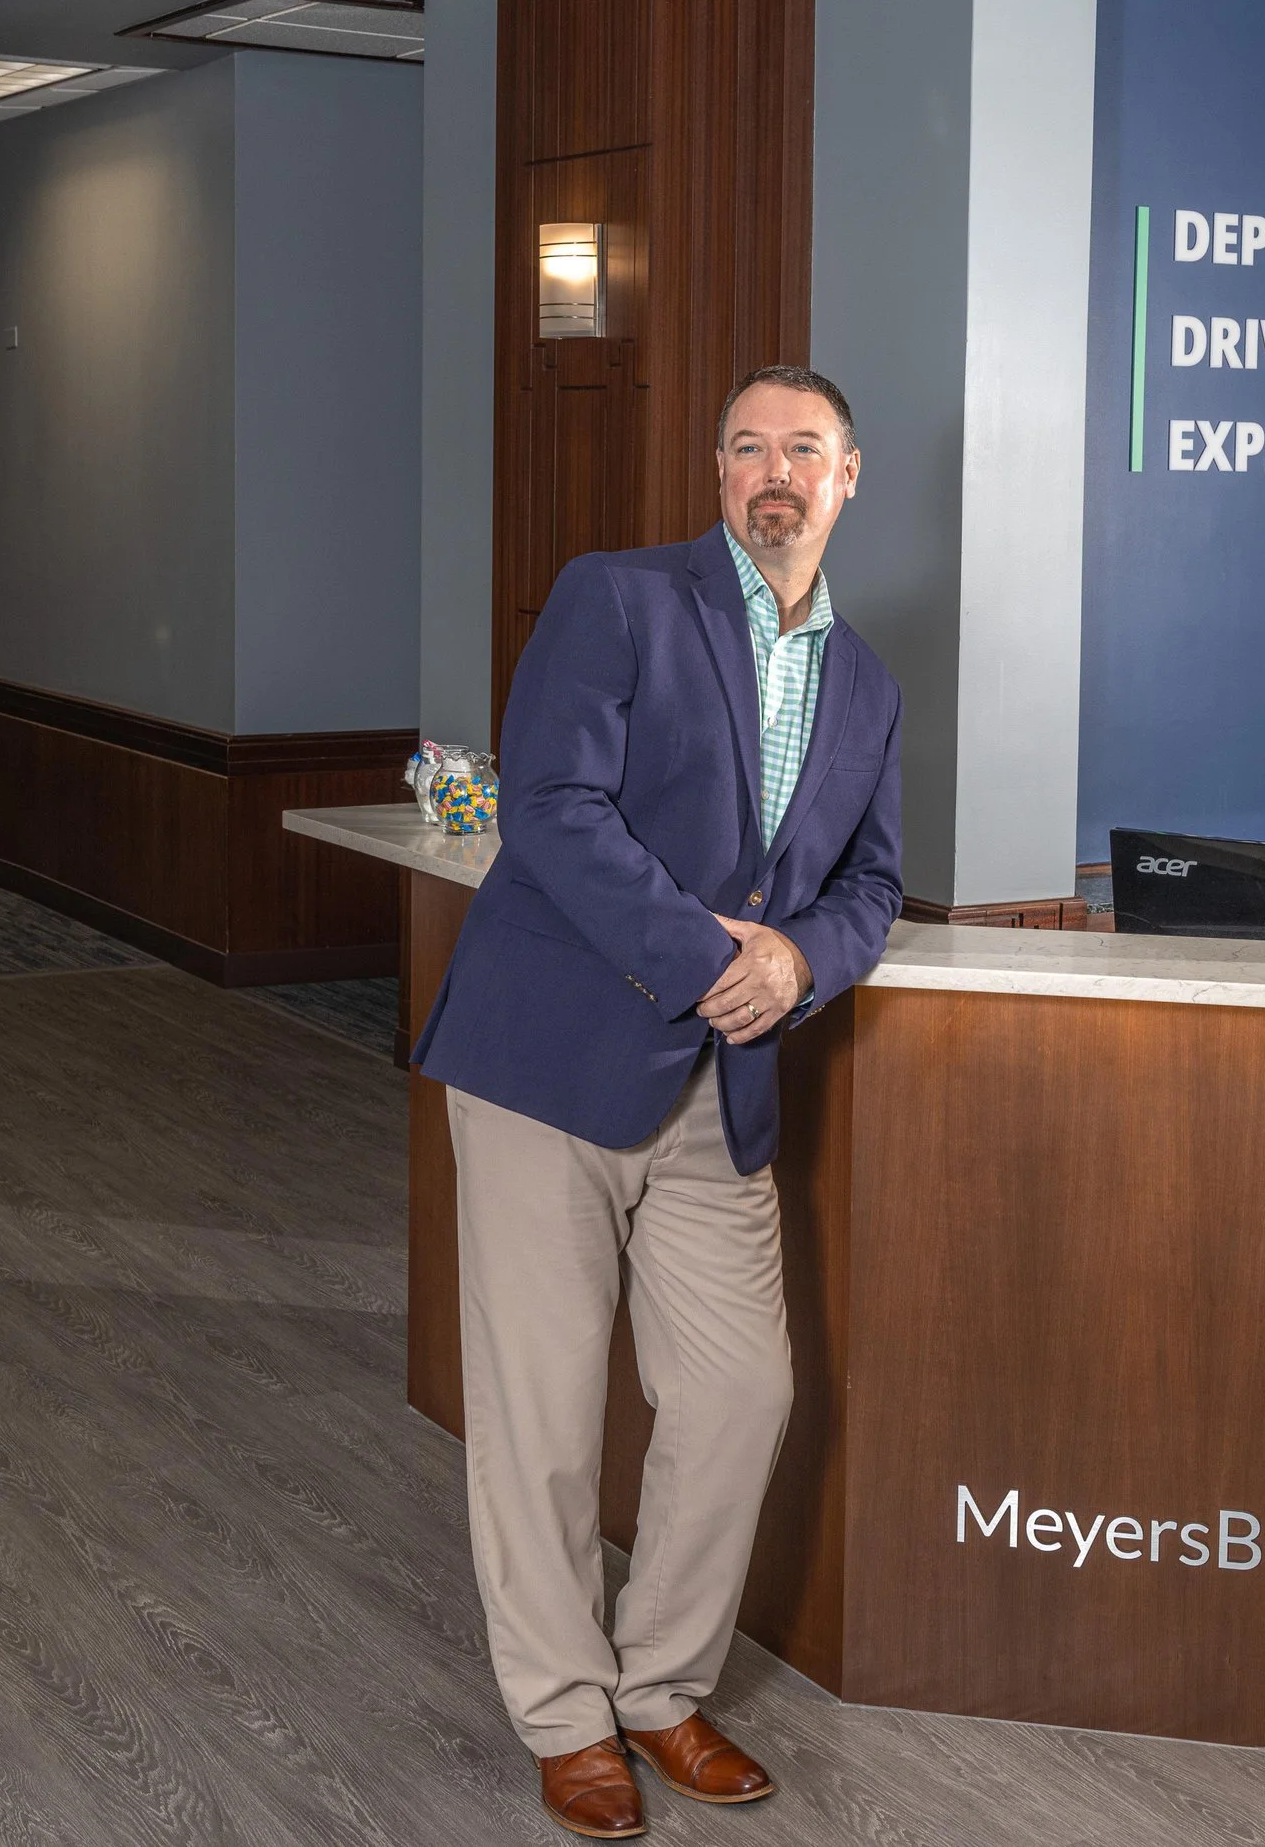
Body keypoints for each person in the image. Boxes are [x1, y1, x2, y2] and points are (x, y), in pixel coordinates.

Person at [412, 365, 902, 1839]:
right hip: (550, 1063)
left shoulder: (868, 681)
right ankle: (568, 1716)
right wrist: (713, 960)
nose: (775, 471)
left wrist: (803, 962)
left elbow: (871, 881)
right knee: (544, 1413)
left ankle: (662, 1686)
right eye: (748, 445)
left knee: (744, 1392)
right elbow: (554, 807)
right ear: (715, 468)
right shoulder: (618, 598)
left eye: (802, 450)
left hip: (720, 1092)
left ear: (847, 477)